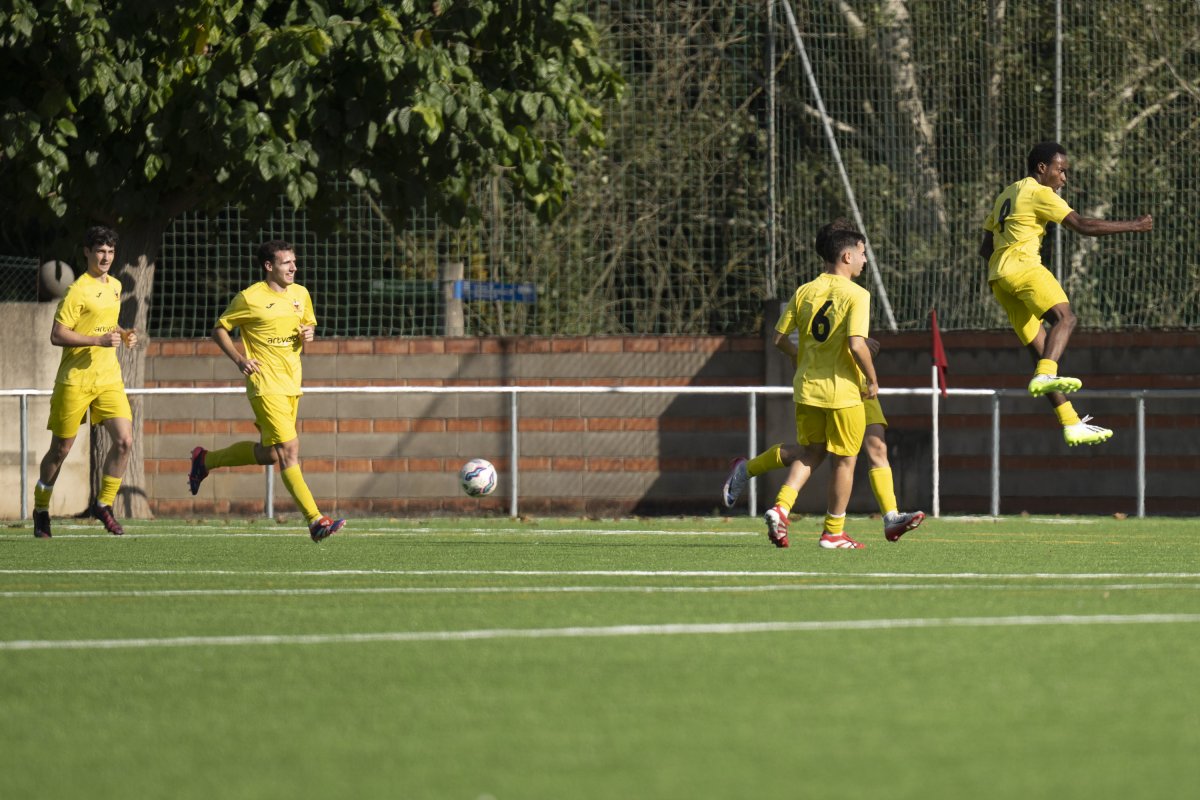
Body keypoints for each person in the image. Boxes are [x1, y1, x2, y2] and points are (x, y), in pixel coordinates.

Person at [979, 141, 1153, 446]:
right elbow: (1082, 225)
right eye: (1061, 170)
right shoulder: (1039, 192)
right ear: (1042, 168)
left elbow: (985, 247)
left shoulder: (1007, 193)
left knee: (1042, 350)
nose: (1064, 178)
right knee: (1066, 319)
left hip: (999, 279)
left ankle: (1070, 422)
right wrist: (1134, 226)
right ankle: (1047, 374)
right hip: (1024, 268)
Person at [726, 222, 878, 549]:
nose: (865, 261)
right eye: (863, 254)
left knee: (811, 452)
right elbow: (856, 344)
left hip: (808, 389)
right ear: (847, 256)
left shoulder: (804, 291)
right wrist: (871, 377)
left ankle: (780, 508)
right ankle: (833, 532)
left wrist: (798, 358)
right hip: (843, 393)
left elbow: (779, 338)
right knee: (845, 461)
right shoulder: (857, 295)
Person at [187, 240, 346, 542]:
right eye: (287, 263)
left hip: (291, 385)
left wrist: (309, 332)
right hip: (265, 385)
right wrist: (240, 359)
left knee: (270, 454)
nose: (294, 268)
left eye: (294, 262)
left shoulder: (301, 294)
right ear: (269, 266)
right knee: (290, 450)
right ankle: (315, 520)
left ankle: (204, 460)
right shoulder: (249, 298)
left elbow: (308, 324)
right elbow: (220, 328)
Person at [723, 334, 925, 543]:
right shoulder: (817, 300)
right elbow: (785, 335)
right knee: (812, 452)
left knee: (877, 447)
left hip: (859, 383)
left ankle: (890, 517)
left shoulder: (856, 300)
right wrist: (853, 346)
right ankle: (827, 529)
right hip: (831, 385)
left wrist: (861, 347)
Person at [32, 226, 136, 538]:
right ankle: (41, 509)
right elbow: (57, 334)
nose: (106, 257)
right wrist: (97, 341)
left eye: (110, 252)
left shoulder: (116, 286)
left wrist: (123, 332)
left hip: (108, 380)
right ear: (87, 253)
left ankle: (103, 505)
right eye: (100, 251)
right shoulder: (77, 290)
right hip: (75, 381)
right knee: (61, 450)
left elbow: (105, 322)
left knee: (125, 441)